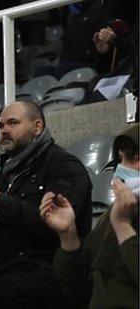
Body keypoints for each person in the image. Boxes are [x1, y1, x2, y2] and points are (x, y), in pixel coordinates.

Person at [0, 101, 93, 308]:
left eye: (13, 123)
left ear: (37, 127)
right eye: (1, 126)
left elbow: (52, 227)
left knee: (4, 291)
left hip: (52, 272)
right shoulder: (7, 172)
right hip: (8, 273)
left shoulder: (64, 166)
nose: (5, 130)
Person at [41, 124, 139, 308]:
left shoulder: (118, 218)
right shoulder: (110, 217)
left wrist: (123, 227)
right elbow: (79, 292)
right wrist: (68, 236)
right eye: (120, 160)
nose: (123, 169)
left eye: (135, 159)